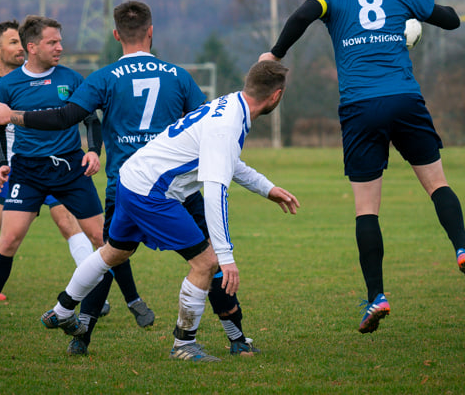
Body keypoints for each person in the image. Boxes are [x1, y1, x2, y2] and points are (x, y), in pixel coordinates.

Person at [0, 0, 260, 356]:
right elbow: (207, 127)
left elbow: (65, 117)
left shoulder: (102, 78)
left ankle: (80, 334)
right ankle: (236, 339)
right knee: (209, 258)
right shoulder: (178, 75)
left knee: (111, 255)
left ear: (116, 35)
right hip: (176, 186)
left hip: (126, 187)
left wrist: (15, 117)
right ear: (150, 31)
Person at [259, 0, 465, 335]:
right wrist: (414, 13)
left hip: (360, 106)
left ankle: (378, 296)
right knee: (438, 184)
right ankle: (463, 250)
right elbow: (451, 20)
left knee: (367, 209)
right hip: (405, 98)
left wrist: (274, 53)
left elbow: (301, 15)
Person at [35, 61, 298, 362]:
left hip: (131, 177)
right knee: (206, 263)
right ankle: (183, 345)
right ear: (276, 96)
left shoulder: (226, 104)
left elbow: (225, 159)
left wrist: (266, 187)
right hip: (152, 192)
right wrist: (226, 257)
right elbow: (214, 192)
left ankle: (62, 309)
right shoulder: (228, 124)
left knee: (114, 253)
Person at [0, 20, 95, 320]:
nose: (17, 48)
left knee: (68, 222)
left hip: (57, 165)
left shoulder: (61, 77)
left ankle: (89, 293)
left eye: (18, 41)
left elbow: (80, 117)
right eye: (11, 43)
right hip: (16, 169)